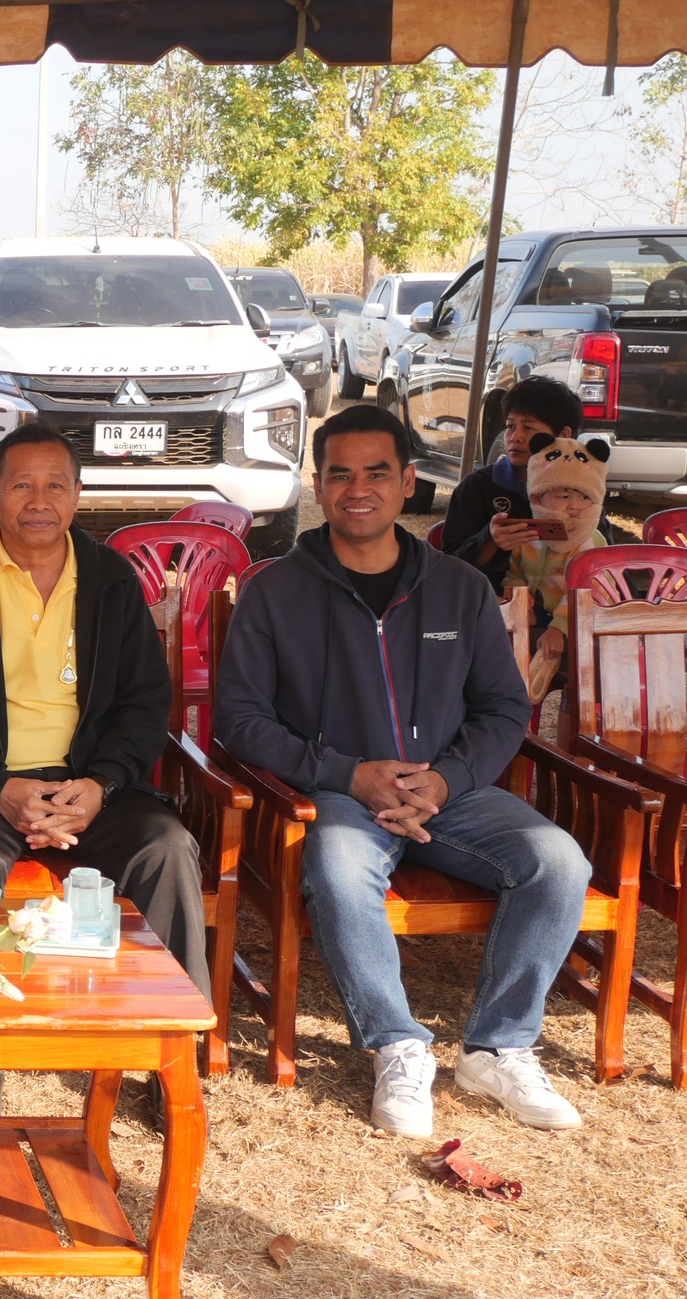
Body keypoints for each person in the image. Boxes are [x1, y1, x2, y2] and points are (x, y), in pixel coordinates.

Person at [215, 403, 589, 1137]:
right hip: (337, 791)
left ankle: (498, 1047)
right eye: (339, 474)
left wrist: (447, 778)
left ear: (409, 482)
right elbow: (240, 719)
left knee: (558, 862)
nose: (358, 489)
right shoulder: (275, 591)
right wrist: (349, 774)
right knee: (339, 869)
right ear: (318, 486)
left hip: (451, 791)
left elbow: (502, 708)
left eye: (377, 473)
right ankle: (396, 1043)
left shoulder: (459, 587)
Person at [0, 420, 207, 1118]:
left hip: (90, 784)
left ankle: (172, 1061)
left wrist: (101, 784)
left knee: (166, 847)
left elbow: (144, 702)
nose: (39, 501)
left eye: (56, 486)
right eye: (21, 486)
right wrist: (0, 788)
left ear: (77, 494)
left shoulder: (110, 581)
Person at [441, 377, 600, 594]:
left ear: (563, 435)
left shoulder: (584, 487)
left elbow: (602, 554)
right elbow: (449, 566)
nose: (515, 437)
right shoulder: (478, 487)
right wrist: (490, 539)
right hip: (493, 601)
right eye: (510, 427)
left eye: (528, 427)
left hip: (567, 604)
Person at [508, 434, 612, 702]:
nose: (575, 506)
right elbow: (514, 572)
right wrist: (517, 594)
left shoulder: (590, 542)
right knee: (501, 620)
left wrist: (558, 629)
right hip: (541, 610)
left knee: (572, 655)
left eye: (585, 497)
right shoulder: (529, 536)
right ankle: (516, 673)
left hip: (584, 618)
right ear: (538, 497)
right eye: (564, 496)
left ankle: (551, 656)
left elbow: (586, 593)